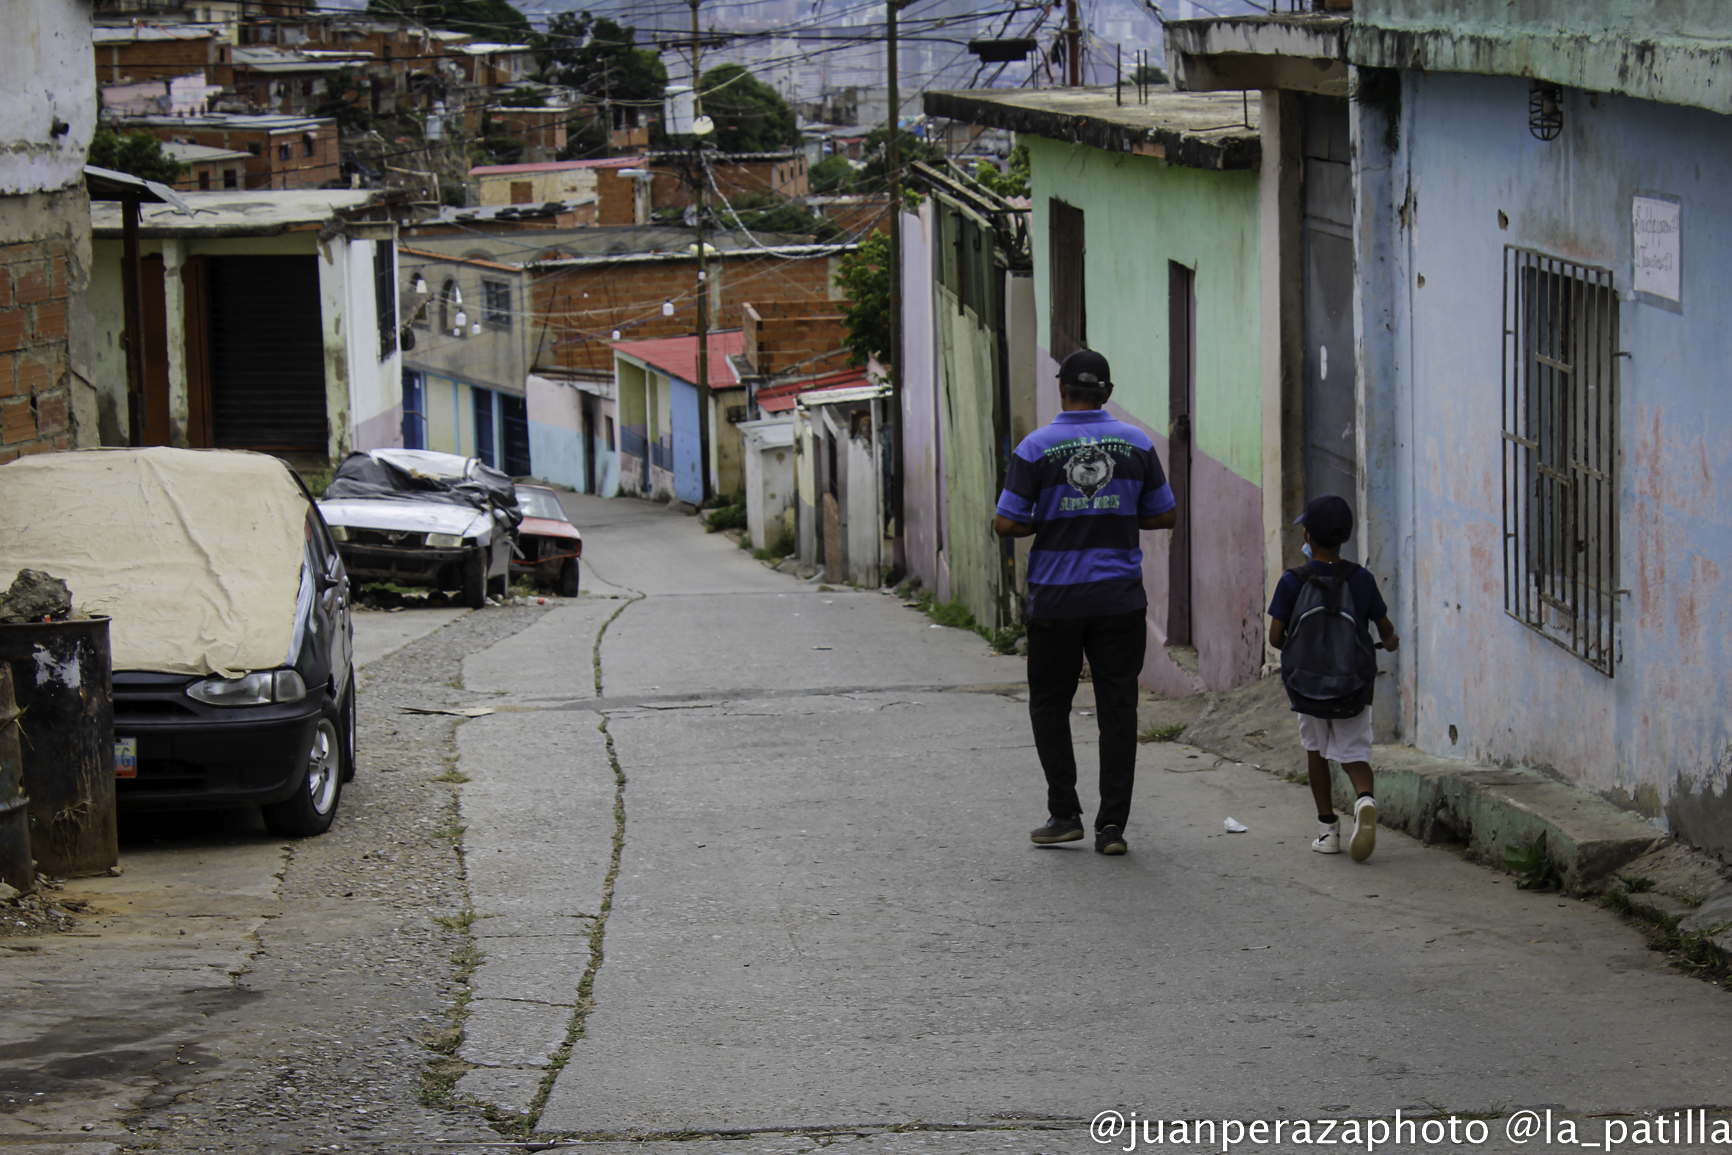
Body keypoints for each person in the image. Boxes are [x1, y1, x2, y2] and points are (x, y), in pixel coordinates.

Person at [993, 349, 1176, 856]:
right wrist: (1112, 516)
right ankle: (1112, 827)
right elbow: (1164, 515)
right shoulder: (1137, 443)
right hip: (1119, 599)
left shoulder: (1035, 448)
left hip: (1056, 601)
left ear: (1062, 390)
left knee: (1051, 704)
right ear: (1108, 394)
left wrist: (1053, 521)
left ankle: (1064, 813)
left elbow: (1006, 524)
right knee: (1118, 708)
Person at [1265, 495, 1399, 862]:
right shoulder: (1361, 580)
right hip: (1352, 685)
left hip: (1307, 687)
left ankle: (1327, 831)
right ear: (1346, 538)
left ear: (1306, 534)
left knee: (1316, 751)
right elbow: (1386, 630)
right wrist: (1389, 641)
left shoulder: (1292, 581)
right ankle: (1364, 800)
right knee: (1354, 752)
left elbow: (1276, 638)